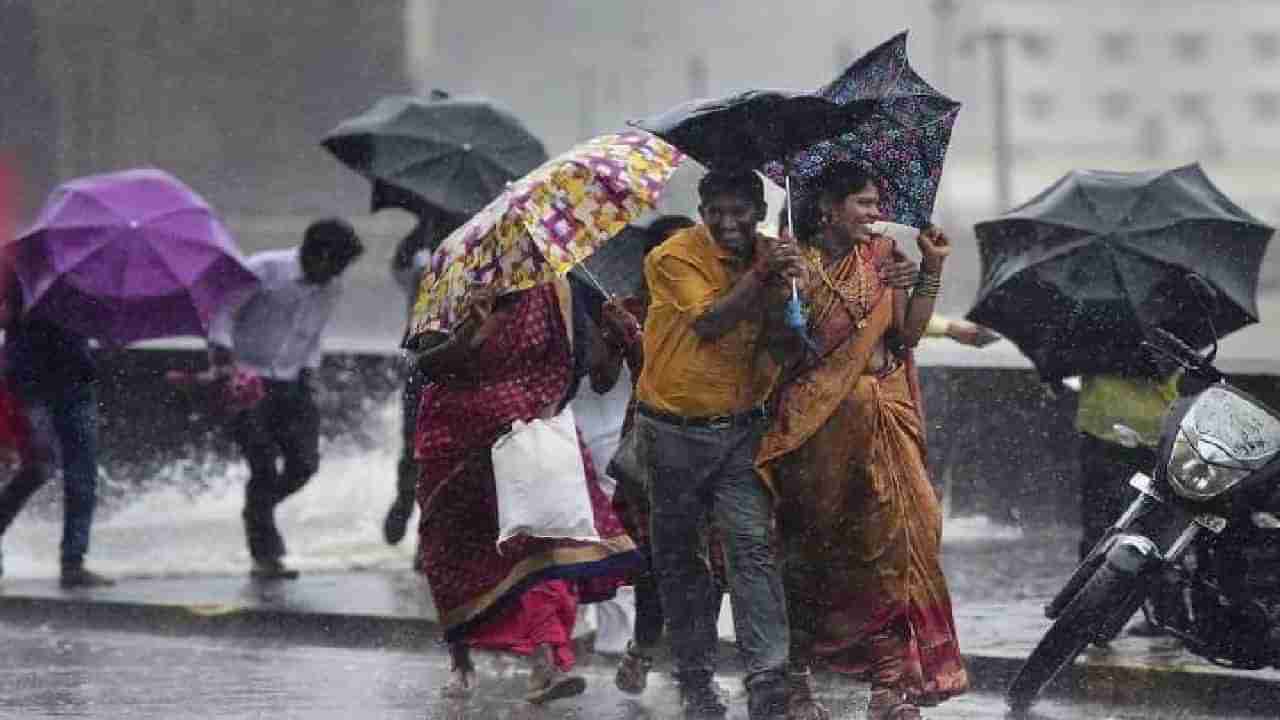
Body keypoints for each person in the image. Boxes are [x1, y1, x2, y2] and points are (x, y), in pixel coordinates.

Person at [756, 163, 969, 720]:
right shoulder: (793, 262)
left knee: (897, 545)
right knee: (811, 550)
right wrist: (785, 292)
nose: (876, 213)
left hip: (885, 419)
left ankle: (889, 688)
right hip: (816, 427)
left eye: (876, 203)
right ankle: (798, 682)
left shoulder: (882, 258)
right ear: (828, 206)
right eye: (865, 203)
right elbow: (780, 352)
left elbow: (908, 335)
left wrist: (931, 270)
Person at [409, 277, 638, 704]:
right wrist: (474, 332)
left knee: (543, 547)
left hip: (531, 429)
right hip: (453, 437)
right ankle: (461, 661)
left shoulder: (560, 291)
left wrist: (614, 339)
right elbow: (429, 366)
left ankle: (545, 662)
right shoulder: (454, 286)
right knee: (452, 550)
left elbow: (582, 368)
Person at [631, 171, 807, 720]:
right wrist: (763, 273)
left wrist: (789, 293)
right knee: (682, 560)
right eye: (717, 212)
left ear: (758, 210)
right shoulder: (672, 255)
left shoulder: (774, 257)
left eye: (740, 212)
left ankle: (767, 675)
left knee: (751, 547)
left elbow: (787, 348)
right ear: (702, 210)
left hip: (740, 430)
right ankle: (695, 675)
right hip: (671, 432)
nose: (729, 223)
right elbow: (710, 320)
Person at [207, 218, 364, 580]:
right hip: (246, 377)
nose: (339, 274)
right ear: (319, 255)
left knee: (305, 463)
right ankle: (266, 553)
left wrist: (310, 373)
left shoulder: (331, 287)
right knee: (262, 463)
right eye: (337, 264)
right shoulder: (263, 269)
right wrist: (224, 360)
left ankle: (257, 510)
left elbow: (313, 332)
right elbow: (223, 314)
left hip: (293, 381)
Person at [0, 280, 113, 588]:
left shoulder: (88, 274)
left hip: (76, 382)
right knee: (39, 467)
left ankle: (73, 562)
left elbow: (100, 321)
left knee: (82, 475)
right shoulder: (19, 267)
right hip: (29, 384)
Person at [382, 201, 464, 547]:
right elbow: (401, 264)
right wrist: (422, 223)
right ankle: (409, 506)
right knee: (425, 450)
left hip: (445, 372)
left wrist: (421, 226)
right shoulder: (425, 270)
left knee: (428, 451)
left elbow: (400, 263)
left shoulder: (446, 271)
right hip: (436, 372)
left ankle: (422, 526)